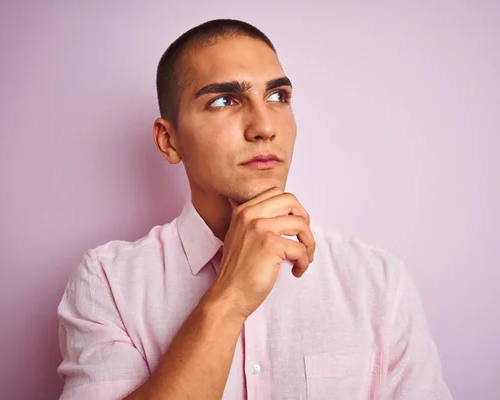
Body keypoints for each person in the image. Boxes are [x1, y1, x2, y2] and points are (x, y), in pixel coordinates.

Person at [57, 18, 452, 400]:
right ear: (169, 141)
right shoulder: (107, 283)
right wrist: (230, 298)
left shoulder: (378, 282)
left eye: (278, 96)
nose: (264, 126)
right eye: (225, 100)